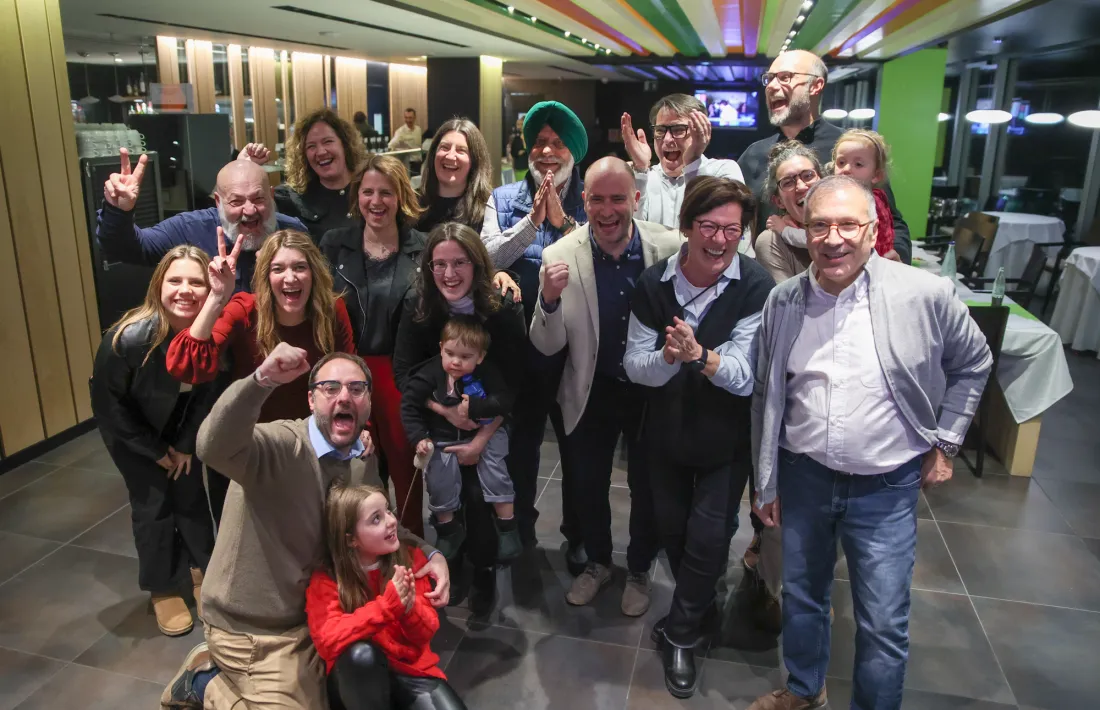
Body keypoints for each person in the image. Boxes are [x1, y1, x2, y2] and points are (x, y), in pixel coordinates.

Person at [746, 176, 992, 710]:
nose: (833, 239)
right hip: (804, 474)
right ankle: (805, 690)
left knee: (882, 620)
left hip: (885, 487)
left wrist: (946, 441)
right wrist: (766, 478)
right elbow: (767, 396)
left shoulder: (924, 294)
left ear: (873, 229)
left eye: (848, 225)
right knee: (804, 597)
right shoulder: (784, 301)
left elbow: (974, 362)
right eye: (819, 226)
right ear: (802, 232)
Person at [160, 347, 449, 710]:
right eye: (330, 388)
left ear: (369, 403)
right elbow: (213, 447)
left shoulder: (362, 461)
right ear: (311, 400)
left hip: (318, 617)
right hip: (253, 630)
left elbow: (380, 522)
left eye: (357, 388)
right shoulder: (279, 446)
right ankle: (203, 684)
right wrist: (260, 380)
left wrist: (433, 553)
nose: (344, 396)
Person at [623, 176, 774, 699]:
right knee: (673, 534)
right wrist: (667, 358)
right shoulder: (653, 285)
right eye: (708, 226)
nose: (719, 239)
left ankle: (682, 634)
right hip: (662, 435)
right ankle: (701, 603)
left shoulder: (757, 287)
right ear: (686, 228)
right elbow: (634, 366)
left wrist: (701, 357)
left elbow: (745, 374)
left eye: (731, 229)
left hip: (723, 442)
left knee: (710, 535)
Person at [529, 157, 680, 617]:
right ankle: (597, 562)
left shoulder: (669, 247)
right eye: (598, 199)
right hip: (589, 388)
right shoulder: (559, 256)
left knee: (648, 487)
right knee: (586, 485)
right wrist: (549, 303)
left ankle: (638, 569)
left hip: (649, 389)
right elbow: (546, 343)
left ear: (635, 199)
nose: (608, 209)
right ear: (584, 201)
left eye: (618, 198)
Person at [393, 222, 526, 613]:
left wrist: (482, 433)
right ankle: (452, 559)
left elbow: (517, 383)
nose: (449, 274)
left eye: (460, 262)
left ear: (478, 264)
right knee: (445, 487)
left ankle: (485, 571)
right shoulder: (418, 304)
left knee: (481, 492)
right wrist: (443, 409)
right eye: (439, 264)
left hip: (491, 417)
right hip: (438, 414)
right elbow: (403, 372)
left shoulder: (502, 307)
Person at [91, 246, 223, 638]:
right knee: (152, 506)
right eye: (175, 280)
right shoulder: (127, 340)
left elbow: (206, 395)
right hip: (132, 432)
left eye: (196, 282)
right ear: (158, 285)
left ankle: (202, 569)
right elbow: (109, 406)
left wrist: (183, 446)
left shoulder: (212, 333)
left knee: (191, 498)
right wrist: (154, 450)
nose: (185, 290)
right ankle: (163, 586)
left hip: (182, 427)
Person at [480, 100, 588, 568]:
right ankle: (520, 525)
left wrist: (564, 223)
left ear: (573, 151)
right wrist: (532, 224)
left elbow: (601, 261)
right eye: (540, 142)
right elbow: (485, 259)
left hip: (579, 349)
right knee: (521, 445)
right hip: (520, 348)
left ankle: (580, 534)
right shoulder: (502, 199)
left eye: (557, 143)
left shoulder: (594, 196)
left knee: (578, 446)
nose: (546, 151)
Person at [737, 49, 911, 263]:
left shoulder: (849, 150)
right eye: (769, 79)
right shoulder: (753, 154)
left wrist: (897, 255)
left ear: (816, 86)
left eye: (785, 77)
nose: (772, 86)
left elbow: (892, 219)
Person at [306, 484, 468, 710]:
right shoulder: (327, 579)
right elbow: (327, 640)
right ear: (351, 539)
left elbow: (425, 634)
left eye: (388, 511)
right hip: (357, 679)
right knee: (362, 655)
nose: (392, 521)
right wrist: (386, 608)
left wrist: (409, 608)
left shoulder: (410, 558)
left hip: (410, 669)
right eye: (376, 519)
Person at [97, 150, 305, 293]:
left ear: (271, 196)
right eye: (236, 201)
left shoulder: (293, 232)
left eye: (259, 199)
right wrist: (118, 210)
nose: (249, 211)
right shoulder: (190, 230)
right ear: (218, 202)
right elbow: (127, 248)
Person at [401, 316, 520, 563]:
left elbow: (504, 400)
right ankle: (448, 529)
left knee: (496, 468)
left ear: (480, 357)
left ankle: (508, 527)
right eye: (450, 353)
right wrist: (419, 437)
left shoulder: (488, 372)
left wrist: (477, 406)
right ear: (440, 348)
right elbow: (409, 405)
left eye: (465, 357)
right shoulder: (430, 373)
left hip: (485, 432)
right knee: (438, 477)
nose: (455, 362)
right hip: (443, 437)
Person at [620, 93, 746, 230]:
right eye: (660, 130)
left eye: (679, 130)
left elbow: (715, 231)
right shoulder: (645, 177)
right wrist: (640, 170)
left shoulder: (723, 170)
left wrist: (692, 163)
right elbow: (631, 235)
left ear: (701, 130)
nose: (667, 139)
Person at [273, 108, 368, 241]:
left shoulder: (370, 190)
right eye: (311, 146)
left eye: (327, 142)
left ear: (345, 144)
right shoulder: (292, 199)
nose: (321, 152)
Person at [754, 142, 822, 283]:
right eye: (788, 183)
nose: (801, 187)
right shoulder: (772, 241)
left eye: (808, 176)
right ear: (778, 201)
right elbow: (787, 303)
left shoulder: (849, 224)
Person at [830, 128, 900, 260]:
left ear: (876, 175)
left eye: (858, 164)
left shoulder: (870, 203)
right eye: (841, 162)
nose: (846, 169)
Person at [417, 118, 494, 233]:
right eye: (444, 147)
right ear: (433, 154)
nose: (450, 156)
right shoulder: (412, 205)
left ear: (475, 161)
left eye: (461, 150)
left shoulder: (489, 209)